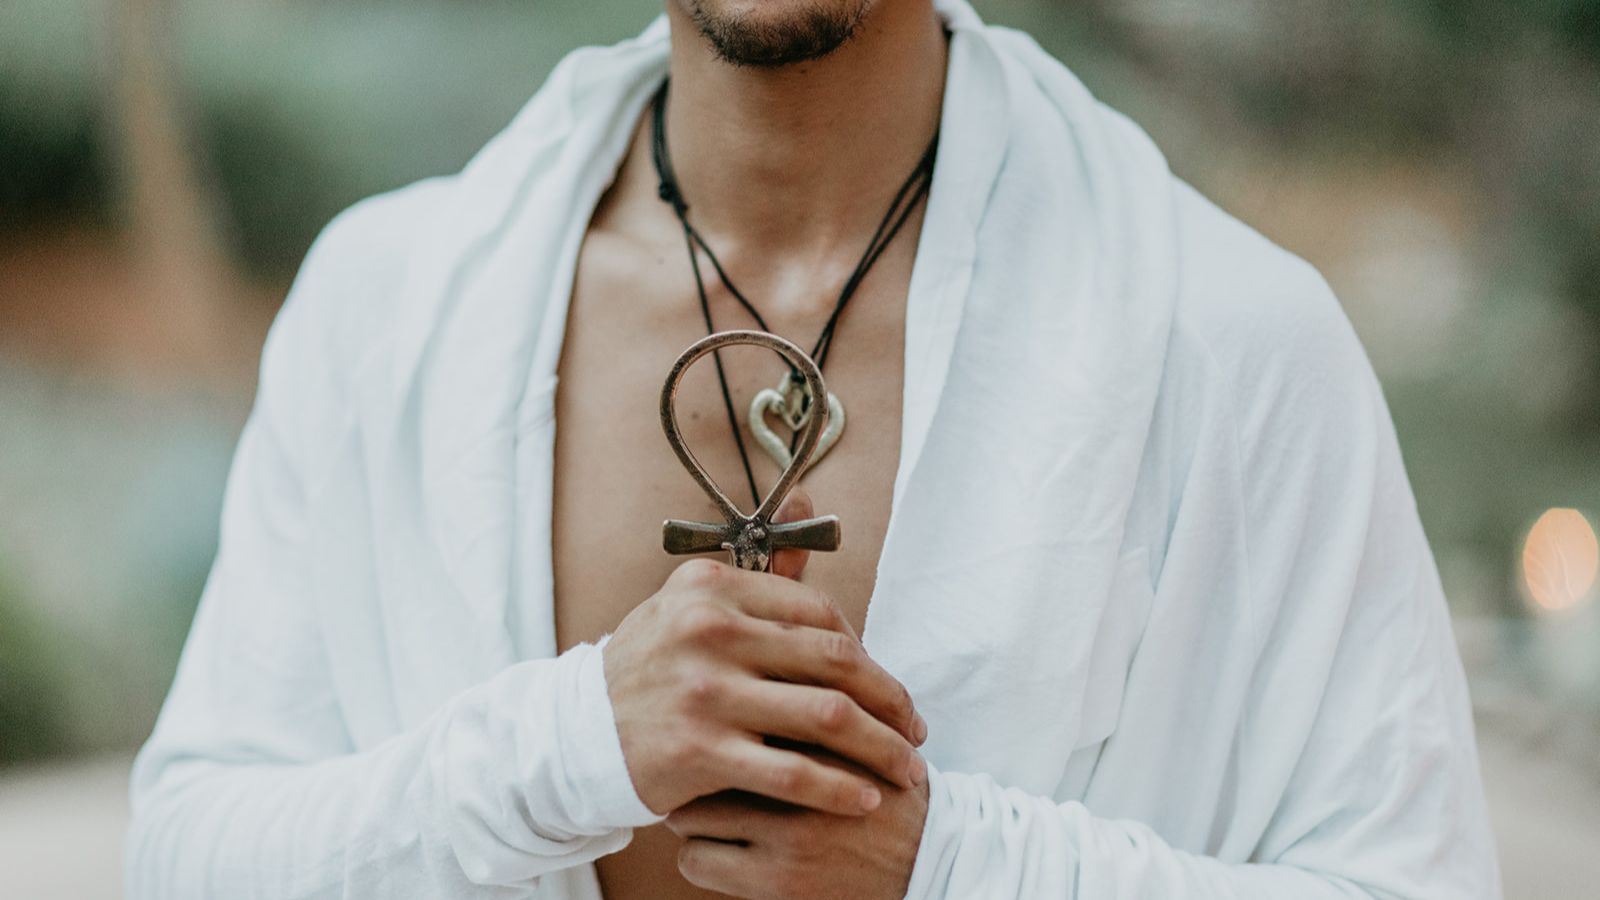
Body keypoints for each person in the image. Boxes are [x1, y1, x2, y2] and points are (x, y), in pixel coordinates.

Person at [125, 0, 1502, 897]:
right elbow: (188, 858)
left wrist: (946, 868)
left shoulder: (1233, 344)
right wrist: (567, 750)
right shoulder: (388, 310)